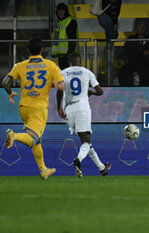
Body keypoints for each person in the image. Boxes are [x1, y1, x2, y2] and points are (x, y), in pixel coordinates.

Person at [2, 37, 65, 180]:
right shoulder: (50, 65)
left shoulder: (20, 65)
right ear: (42, 50)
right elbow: (61, 86)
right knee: (33, 138)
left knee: (37, 140)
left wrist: (10, 93)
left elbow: (5, 82)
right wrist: (55, 86)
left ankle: (43, 169)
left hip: (23, 107)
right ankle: (14, 135)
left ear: (28, 50)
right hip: (38, 108)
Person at [56, 54, 111, 178]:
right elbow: (100, 91)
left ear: (70, 62)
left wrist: (59, 107)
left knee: (85, 141)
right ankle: (78, 159)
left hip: (69, 108)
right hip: (82, 107)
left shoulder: (63, 72)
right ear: (81, 62)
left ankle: (102, 168)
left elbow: (59, 90)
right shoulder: (87, 72)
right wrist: (89, 92)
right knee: (86, 141)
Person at [118, 21, 149, 86]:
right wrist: (143, 52)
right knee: (122, 72)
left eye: (144, 27)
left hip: (145, 64)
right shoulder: (131, 39)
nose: (141, 29)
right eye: (139, 27)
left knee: (148, 74)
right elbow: (127, 50)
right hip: (132, 62)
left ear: (146, 29)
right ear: (137, 29)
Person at [51, 3, 79, 70]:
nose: (60, 12)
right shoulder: (61, 22)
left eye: (62, 10)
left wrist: (70, 54)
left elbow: (72, 39)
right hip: (62, 55)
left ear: (66, 11)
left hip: (69, 55)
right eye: (58, 11)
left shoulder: (70, 21)